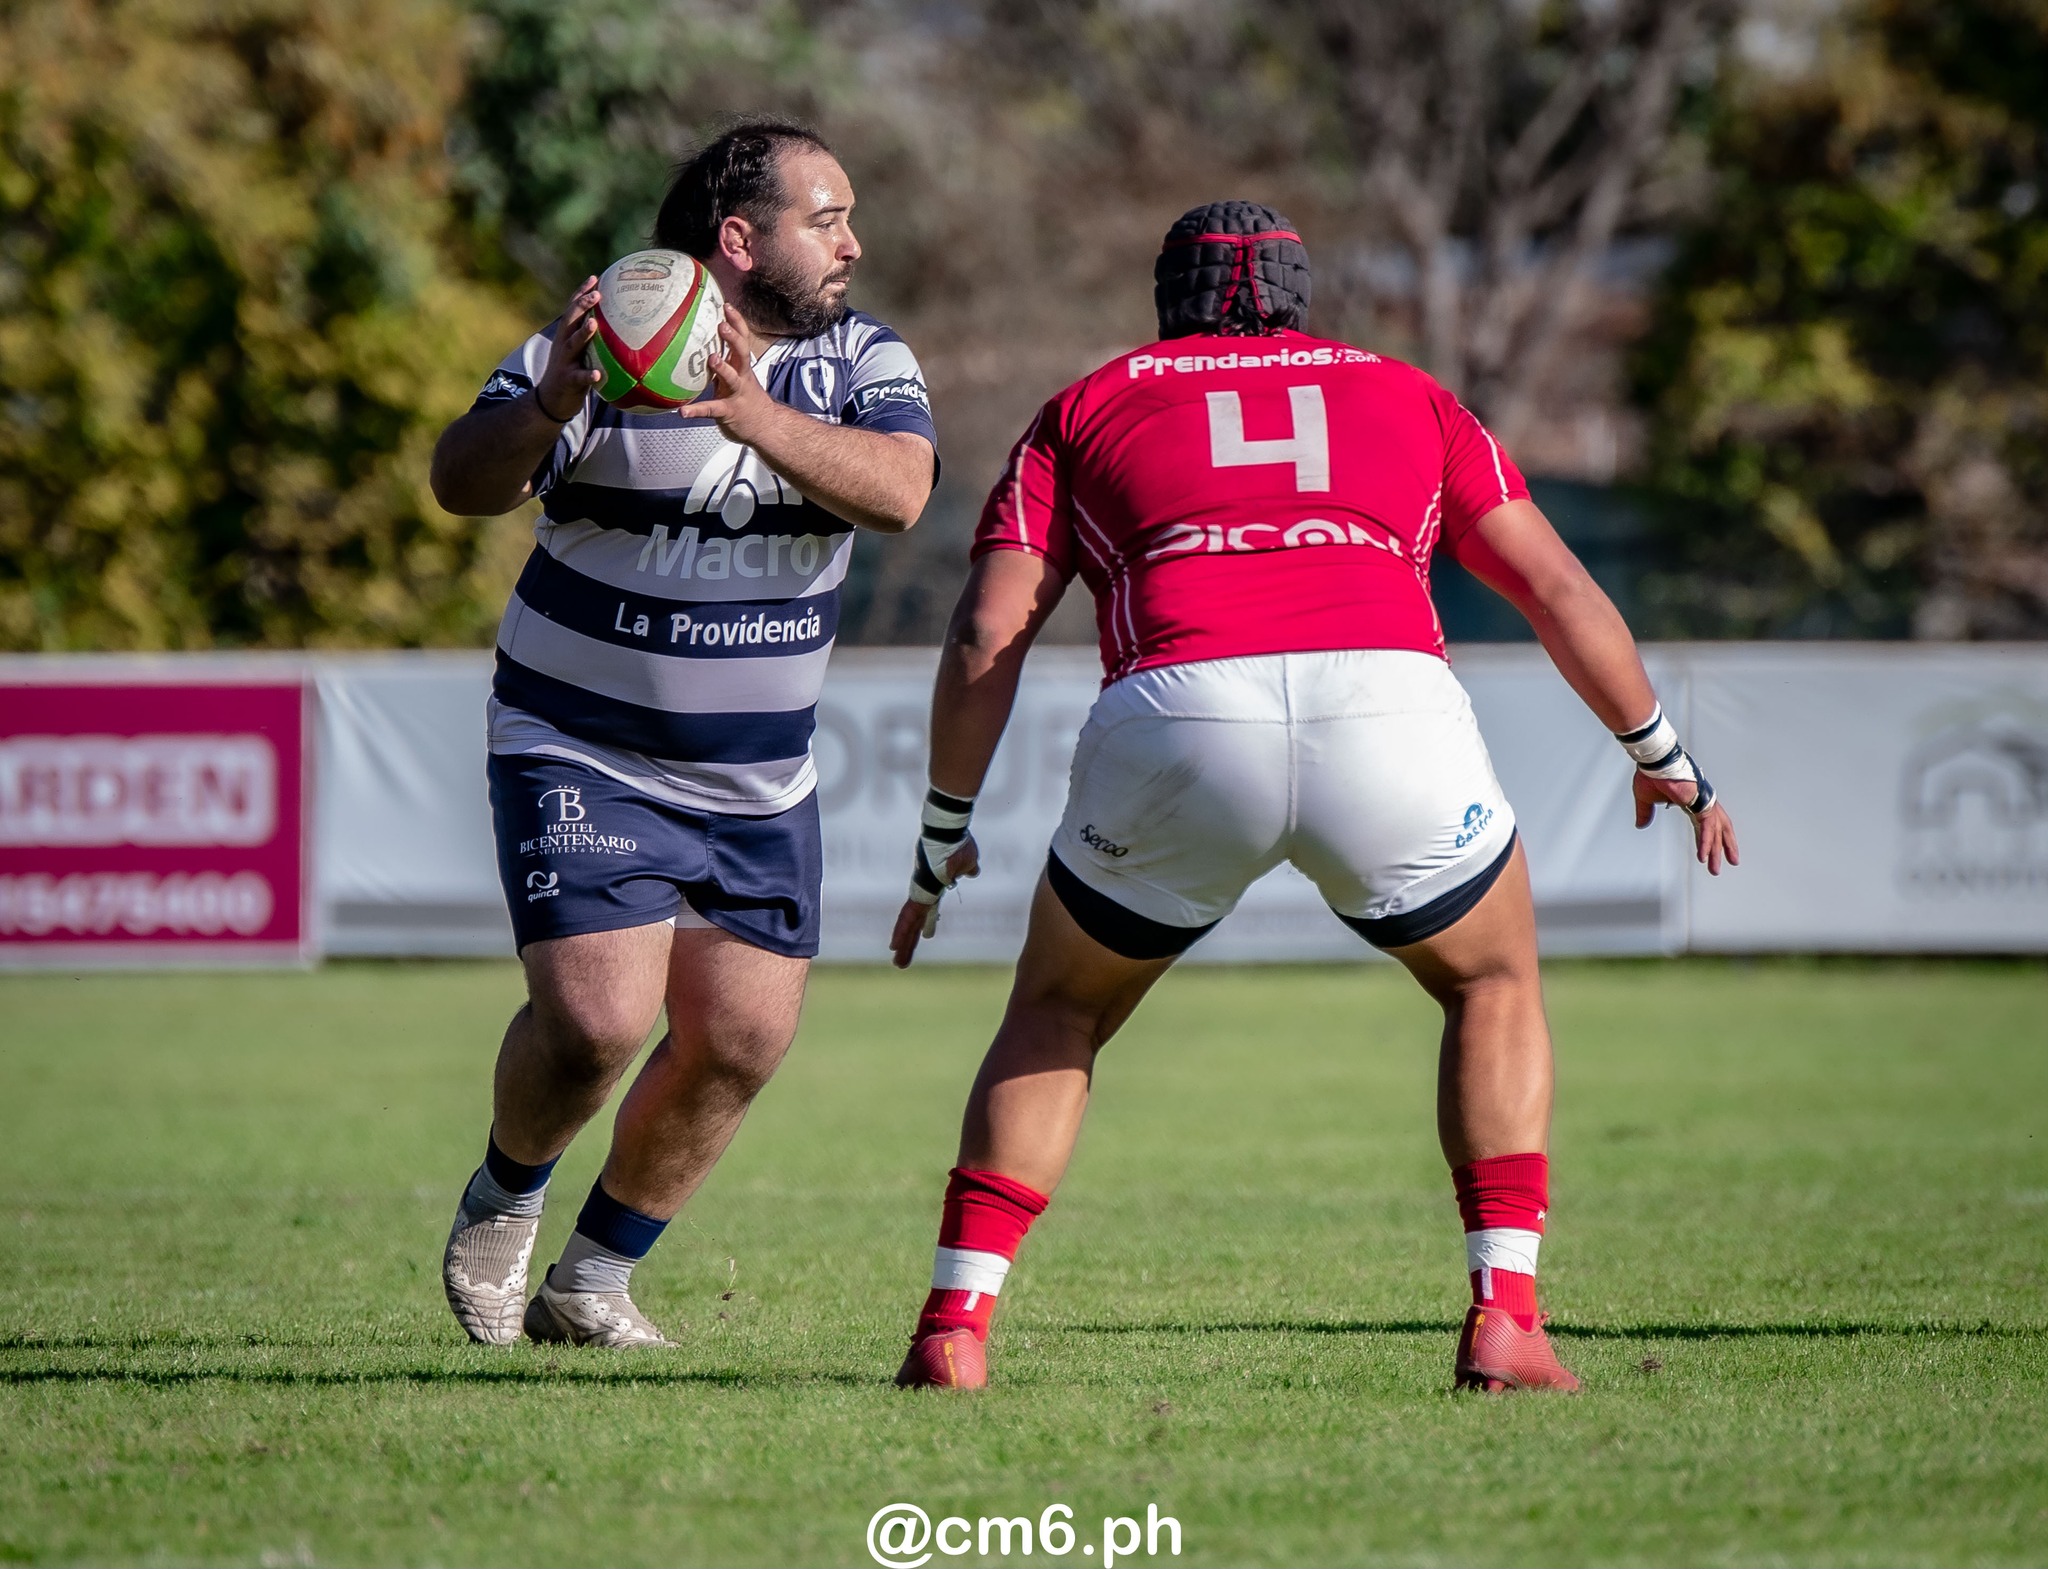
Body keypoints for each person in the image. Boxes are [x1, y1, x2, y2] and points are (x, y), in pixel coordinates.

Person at [887, 201, 1737, 1392]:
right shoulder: (1408, 394)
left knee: (1060, 1011)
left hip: (1179, 714)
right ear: (1300, 295)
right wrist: (1662, 757)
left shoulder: (1083, 406)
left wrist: (939, 837)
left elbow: (987, 631)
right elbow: (1554, 588)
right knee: (1490, 981)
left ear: (1165, 298)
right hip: (1385, 710)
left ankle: (954, 1329)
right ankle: (1505, 1318)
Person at [430, 118, 937, 1348]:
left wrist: (755, 418)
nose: (851, 246)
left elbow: (902, 492)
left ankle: (592, 1281)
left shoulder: (860, 360)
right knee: (599, 1023)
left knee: (743, 1041)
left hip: (757, 779)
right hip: (579, 742)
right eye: (827, 220)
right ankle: (505, 1195)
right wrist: (551, 398)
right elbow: (461, 480)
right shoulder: (600, 342)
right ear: (737, 237)